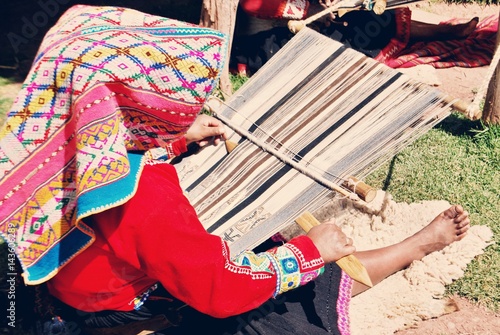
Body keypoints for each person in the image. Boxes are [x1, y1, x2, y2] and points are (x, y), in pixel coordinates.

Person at [0, 4, 471, 335]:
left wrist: (179, 140)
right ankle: (417, 246)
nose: (187, 102)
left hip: (69, 275)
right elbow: (220, 289)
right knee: (290, 286)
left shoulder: (49, 136)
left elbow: (113, 162)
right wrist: (310, 251)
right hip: (107, 302)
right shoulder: (143, 196)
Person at [232, 0, 479, 75]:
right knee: (356, 30)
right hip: (264, 34)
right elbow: (253, 5)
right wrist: (309, 11)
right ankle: (447, 32)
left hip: (313, 17)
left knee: (370, 16)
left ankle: (447, 32)